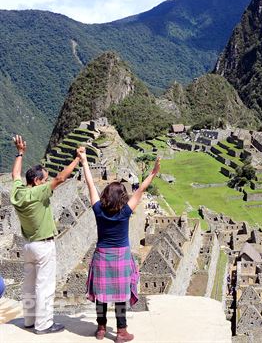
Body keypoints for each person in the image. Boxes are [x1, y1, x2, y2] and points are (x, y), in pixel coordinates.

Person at [78, 147, 160, 342]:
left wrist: (84, 161)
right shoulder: (125, 212)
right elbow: (141, 189)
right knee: (121, 295)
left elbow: (90, 183)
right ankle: (121, 332)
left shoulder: (98, 209)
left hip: (102, 256)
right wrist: (154, 173)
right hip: (121, 256)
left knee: (102, 295)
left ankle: (100, 328)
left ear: (105, 195)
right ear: (123, 197)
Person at [10, 134, 81, 334]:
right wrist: (77, 158)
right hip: (43, 246)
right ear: (37, 180)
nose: (47, 182)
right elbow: (61, 178)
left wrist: (20, 153)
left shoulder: (18, 192)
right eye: (45, 179)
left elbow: (15, 175)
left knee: (29, 285)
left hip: (28, 245)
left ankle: (30, 320)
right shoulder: (38, 192)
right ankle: (44, 325)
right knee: (44, 286)